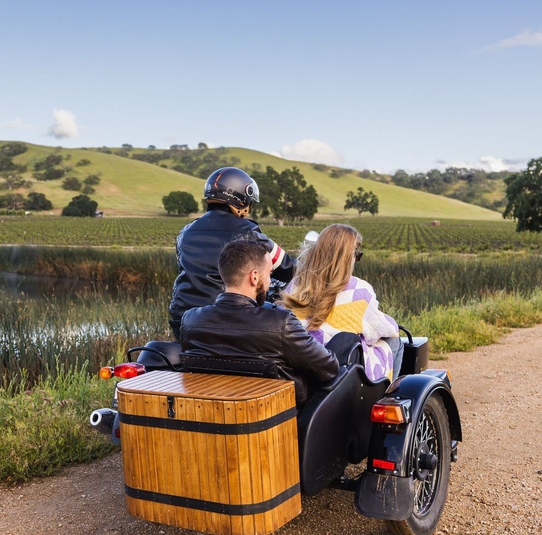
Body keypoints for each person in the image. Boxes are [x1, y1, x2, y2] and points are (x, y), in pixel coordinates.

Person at [180, 240, 339, 406]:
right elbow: (329, 369)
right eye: (269, 274)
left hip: (218, 413)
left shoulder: (190, 320)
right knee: (346, 343)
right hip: (281, 418)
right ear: (255, 277)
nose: (270, 282)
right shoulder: (281, 323)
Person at [167, 167, 296, 339]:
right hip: (225, 320)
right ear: (241, 198)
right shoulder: (248, 230)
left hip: (182, 322)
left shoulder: (186, 232)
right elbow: (287, 267)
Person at [281, 224, 404, 382]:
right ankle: (388, 397)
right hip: (340, 372)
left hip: (303, 366)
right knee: (395, 341)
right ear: (347, 257)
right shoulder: (359, 290)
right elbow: (385, 330)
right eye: (356, 255)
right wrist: (391, 323)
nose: (356, 259)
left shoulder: (296, 285)